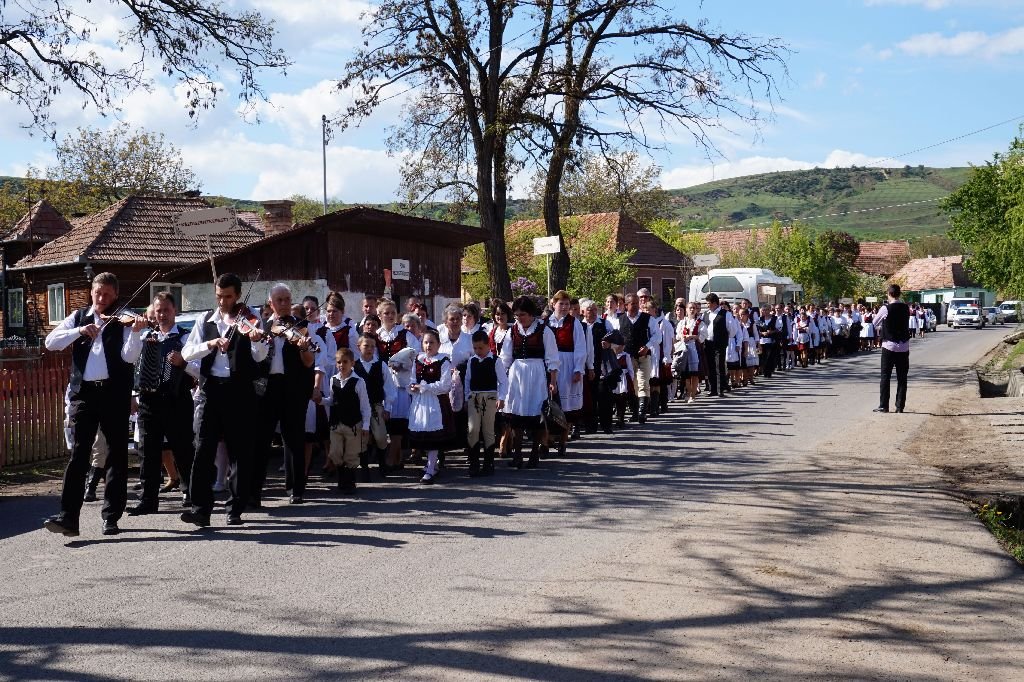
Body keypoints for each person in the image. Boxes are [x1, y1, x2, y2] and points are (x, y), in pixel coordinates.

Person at [43, 272, 147, 537]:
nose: (101, 299)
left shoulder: (125, 319)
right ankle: (68, 518)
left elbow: (129, 357)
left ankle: (111, 516)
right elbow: (50, 342)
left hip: (114, 394)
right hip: (85, 394)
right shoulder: (79, 317)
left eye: (107, 295)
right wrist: (79, 331)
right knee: (79, 454)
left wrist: (136, 332)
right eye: (98, 293)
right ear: (91, 292)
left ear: (116, 295)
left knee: (116, 454)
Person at [181, 272, 269, 527]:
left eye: (228, 297)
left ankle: (235, 508)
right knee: (202, 448)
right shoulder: (205, 319)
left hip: (239, 391)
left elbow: (260, 356)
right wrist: (209, 344)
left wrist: (256, 340)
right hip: (211, 390)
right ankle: (200, 509)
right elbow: (187, 353)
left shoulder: (251, 318)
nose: (222, 302)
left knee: (239, 451)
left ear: (238, 295)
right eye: (219, 296)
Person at [129, 292, 198, 516]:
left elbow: (200, 369)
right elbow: (133, 365)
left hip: (177, 399)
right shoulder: (146, 337)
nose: (162, 315)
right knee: (147, 451)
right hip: (149, 400)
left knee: (183, 448)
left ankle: (191, 493)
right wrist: (133, 394)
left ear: (175, 311)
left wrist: (183, 362)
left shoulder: (186, 338)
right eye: (158, 311)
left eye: (166, 310)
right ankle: (148, 500)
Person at [253, 285, 316, 506]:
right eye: (279, 300)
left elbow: (309, 362)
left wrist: (303, 347)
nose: (284, 304)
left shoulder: (302, 326)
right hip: (267, 387)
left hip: (293, 387)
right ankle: (254, 489)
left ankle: (296, 489)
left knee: (294, 439)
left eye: (287, 299)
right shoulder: (261, 326)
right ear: (271, 303)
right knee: (261, 439)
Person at [500, 296, 559, 469]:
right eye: (517, 315)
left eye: (522, 315)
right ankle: (518, 454)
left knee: (536, 415)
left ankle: (534, 454)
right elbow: (505, 358)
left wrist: (553, 381)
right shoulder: (512, 331)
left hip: (536, 375)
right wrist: (502, 380)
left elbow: (552, 358)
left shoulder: (544, 331)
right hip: (516, 375)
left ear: (531, 314)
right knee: (515, 415)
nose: (519, 318)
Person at [408, 328, 454, 484]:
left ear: (439, 344)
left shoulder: (443, 361)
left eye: (432, 342)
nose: (428, 346)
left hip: (436, 403)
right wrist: (412, 386)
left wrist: (425, 387)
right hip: (420, 403)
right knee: (424, 435)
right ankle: (431, 465)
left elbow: (445, 385)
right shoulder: (418, 359)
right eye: (426, 342)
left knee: (433, 436)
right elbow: (412, 378)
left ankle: (430, 468)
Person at [325, 347, 371, 492]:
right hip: (336, 423)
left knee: (351, 454)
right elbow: (332, 400)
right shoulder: (333, 380)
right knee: (335, 452)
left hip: (353, 424)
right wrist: (321, 400)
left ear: (352, 363)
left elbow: (365, 406)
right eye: (339, 362)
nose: (341, 365)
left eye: (345, 362)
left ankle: (349, 481)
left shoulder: (358, 382)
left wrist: (366, 425)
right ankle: (341, 476)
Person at [463, 330, 508, 476]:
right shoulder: (472, 361)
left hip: (490, 397)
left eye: (480, 348)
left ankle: (488, 463)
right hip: (474, 397)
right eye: (475, 348)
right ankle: (474, 463)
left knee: (488, 430)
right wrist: (467, 397)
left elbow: (503, 381)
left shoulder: (495, 360)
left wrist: (501, 398)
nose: (478, 351)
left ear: (488, 345)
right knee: (472, 429)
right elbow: (467, 380)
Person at [547, 290, 586, 451]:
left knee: (566, 406)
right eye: (561, 304)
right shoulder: (546, 322)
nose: (564, 307)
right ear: (553, 304)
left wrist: (578, 369)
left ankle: (563, 439)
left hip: (568, 365)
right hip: (550, 365)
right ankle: (548, 438)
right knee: (549, 403)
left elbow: (580, 347)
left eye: (567, 304)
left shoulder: (573, 323)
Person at [612, 293, 661, 422]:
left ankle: (642, 413)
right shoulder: (619, 320)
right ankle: (634, 412)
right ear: (626, 305)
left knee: (643, 383)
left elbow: (657, 336)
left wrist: (647, 346)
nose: (634, 306)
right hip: (627, 358)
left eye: (636, 303)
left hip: (643, 357)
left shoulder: (648, 319)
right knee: (632, 385)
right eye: (632, 303)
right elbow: (615, 338)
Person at [354, 333, 397, 480]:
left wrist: (387, 408)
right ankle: (364, 469)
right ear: (358, 347)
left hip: (376, 406)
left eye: (372, 346)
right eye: (366, 346)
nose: (369, 349)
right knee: (362, 438)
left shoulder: (380, 365)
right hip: (359, 408)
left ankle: (382, 465)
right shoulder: (354, 366)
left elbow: (389, 388)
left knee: (380, 437)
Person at [873, 284, 911, 414]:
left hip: (889, 346)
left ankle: (884, 406)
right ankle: (900, 406)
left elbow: (874, 322)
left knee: (885, 376)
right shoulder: (906, 308)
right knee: (902, 378)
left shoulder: (885, 308)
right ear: (899, 294)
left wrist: (883, 326)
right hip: (904, 346)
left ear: (889, 294)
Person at [701, 293, 737, 398]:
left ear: (714, 303)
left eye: (708, 303)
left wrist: (724, 338)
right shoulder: (705, 314)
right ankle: (712, 389)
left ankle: (720, 389)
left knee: (719, 366)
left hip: (719, 344)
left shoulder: (725, 314)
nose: (707, 305)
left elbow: (732, 329)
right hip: (708, 343)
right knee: (710, 366)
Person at [675, 302, 704, 403]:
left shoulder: (699, 322)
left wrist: (692, 336)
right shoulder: (682, 322)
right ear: (686, 309)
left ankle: (693, 395)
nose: (692, 310)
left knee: (694, 373)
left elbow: (702, 336)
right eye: (690, 308)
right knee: (686, 373)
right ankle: (688, 392)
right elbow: (677, 335)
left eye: (694, 308)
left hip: (694, 347)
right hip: (684, 347)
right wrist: (682, 337)